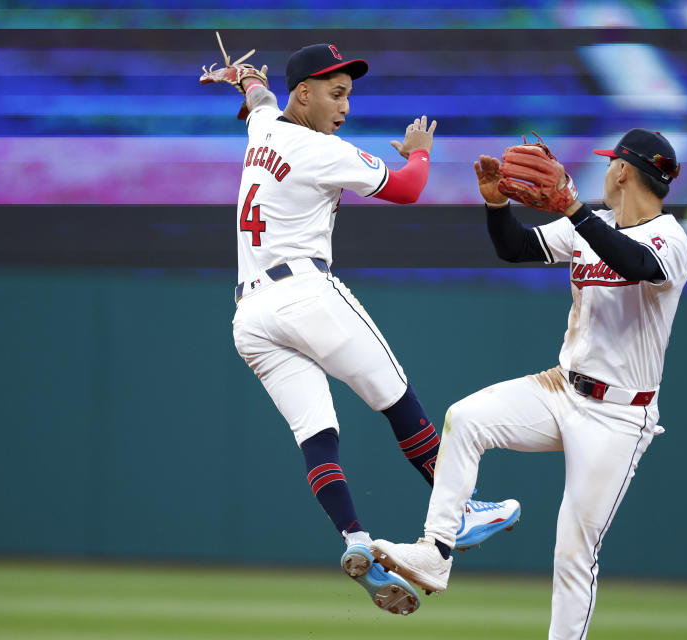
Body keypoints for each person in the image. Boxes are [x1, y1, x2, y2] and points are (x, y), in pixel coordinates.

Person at [199, 40, 520, 616]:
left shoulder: (267, 127)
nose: (345, 105)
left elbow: (261, 98)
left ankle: (354, 541)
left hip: (249, 315)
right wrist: (420, 152)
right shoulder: (319, 149)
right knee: (398, 399)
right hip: (304, 291)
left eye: (349, 93)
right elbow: (408, 188)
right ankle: (462, 510)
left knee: (316, 433)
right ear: (305, 93)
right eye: (335, 92)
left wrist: (242, 78)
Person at [371, 129, 687, 637]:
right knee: (467, 418)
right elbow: (515, 247)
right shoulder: (595, 223)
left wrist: (573, 210)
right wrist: (496, 205)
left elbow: (635, 264)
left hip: (619, 417)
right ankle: (436, 552)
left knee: (573, 551)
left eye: (611, 163)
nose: (605, 171)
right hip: (561, 388)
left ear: (624, 171)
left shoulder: (669, 239)